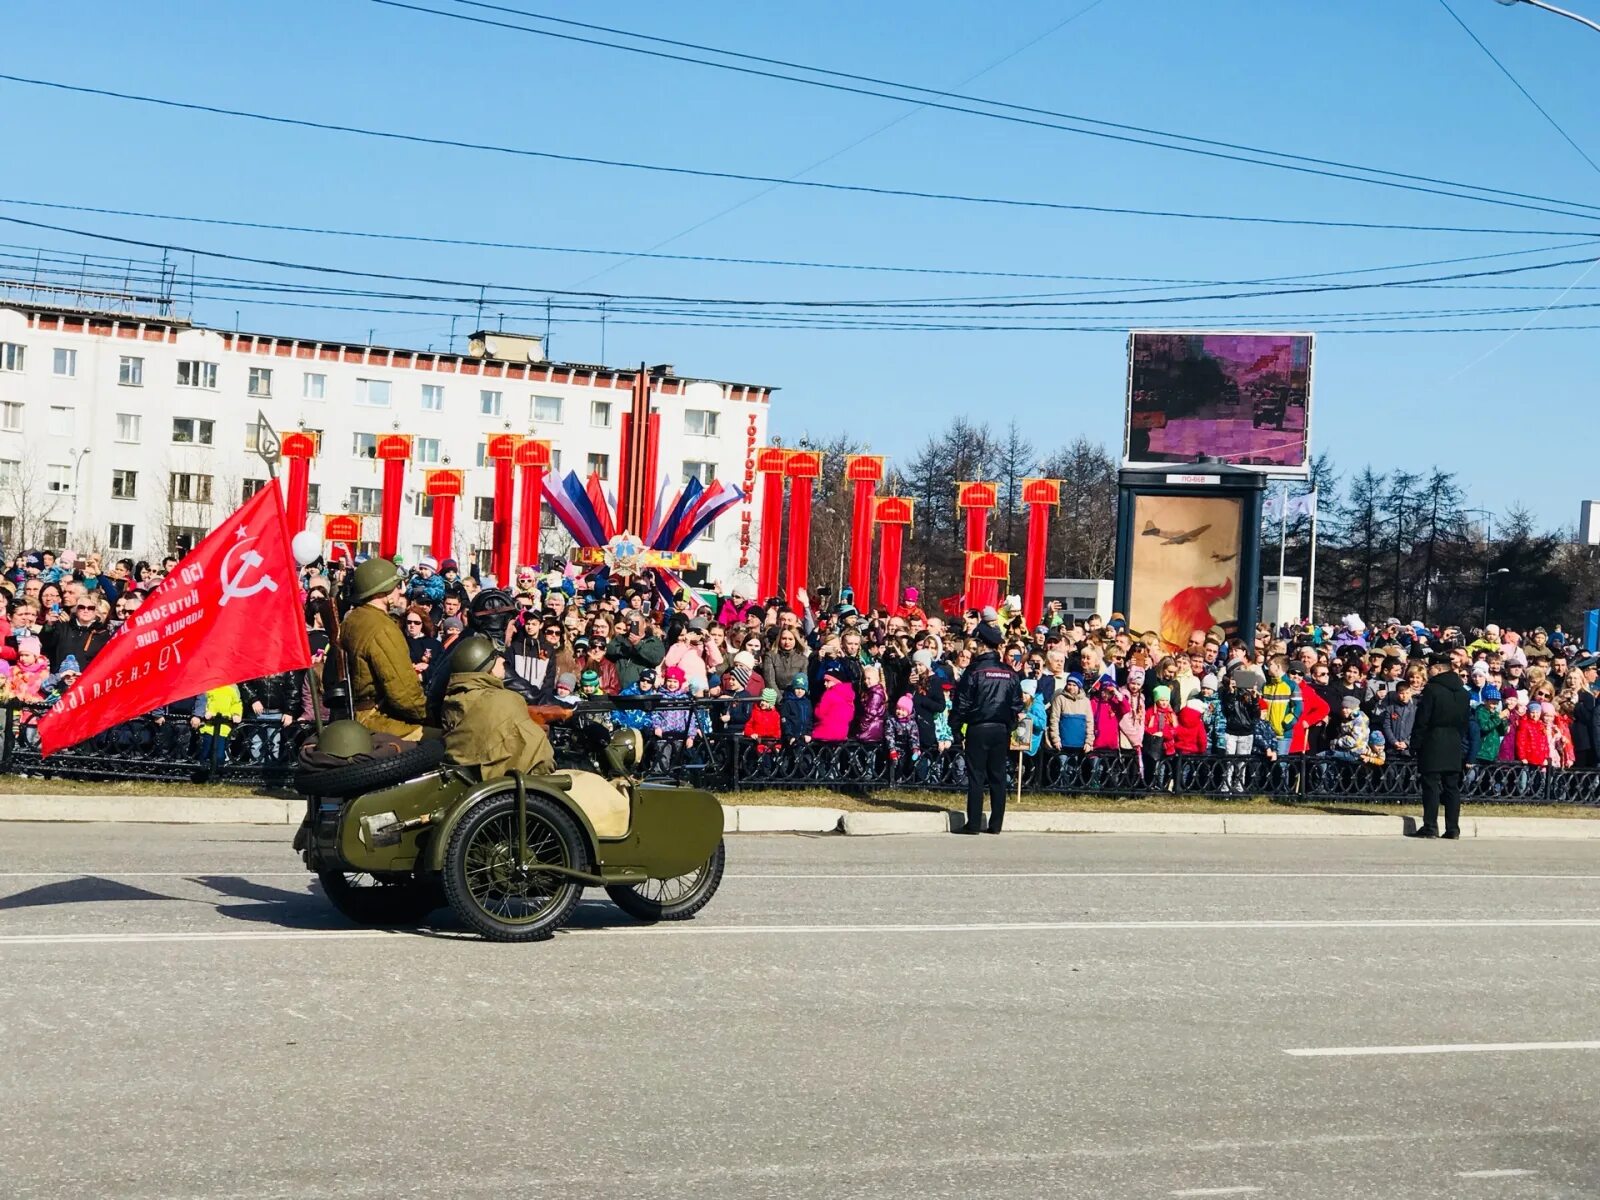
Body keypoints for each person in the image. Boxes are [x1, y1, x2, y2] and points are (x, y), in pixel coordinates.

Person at [439, 635, 556, 780]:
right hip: (508, 790)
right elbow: (543, 760)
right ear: (485, 666)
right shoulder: (507, 700)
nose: (502, 660)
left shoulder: (452, 701)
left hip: (465, 782)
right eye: (496, 656)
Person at [339, 557, 430, 739]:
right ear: (383, 591)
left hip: (354, 715)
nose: (400, 590)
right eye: (396, 586)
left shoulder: (353, 619)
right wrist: (427, 713)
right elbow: (404, 693)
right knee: (443, 741)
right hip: (375, 719)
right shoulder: (382, 628)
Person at [951, 617, 1023, 835]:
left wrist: (955, 729)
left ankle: (973, 824)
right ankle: (996, 824)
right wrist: (1008, 725)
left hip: (978, 728)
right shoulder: (1010, 673)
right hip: (1000, 729)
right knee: (998, 777)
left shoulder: (973, 672)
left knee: (976, 776)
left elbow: (961, 704)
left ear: (981, 645)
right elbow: (1017, 705)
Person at [1410, 648, 1471, 839]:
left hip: (1433, 741)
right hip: (1454, 741)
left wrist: (1416, 743)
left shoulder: (1432, 689)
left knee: (1431, 785)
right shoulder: (1463, 692)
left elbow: (1423, 719)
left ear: (1437, 669)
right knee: (1452, 787)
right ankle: (1453, 828)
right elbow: (1464, 721)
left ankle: (1430, 826)